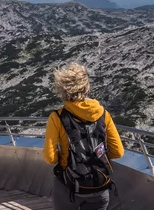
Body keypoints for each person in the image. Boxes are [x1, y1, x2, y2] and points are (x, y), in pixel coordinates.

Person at [43, 62, 124, 210]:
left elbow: (50, 158)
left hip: (69, 186)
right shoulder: (103, 114)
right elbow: (118, 152)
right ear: (86, 86)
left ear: (62, 89)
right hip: (99, 185)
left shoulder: (57, 117)